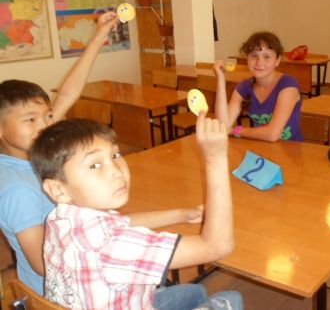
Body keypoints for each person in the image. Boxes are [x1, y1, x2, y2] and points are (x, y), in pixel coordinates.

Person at [30, 117, 243, 310]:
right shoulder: (112, 245)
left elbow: (123, 222)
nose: (116, 170)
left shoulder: (60, 217)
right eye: (95, 165)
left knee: (196, 292)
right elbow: (216, 247)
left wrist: (182, 214)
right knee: (230, 298)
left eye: (115, 155)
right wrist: (215, 158)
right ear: (58, 189)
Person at [0, 11, 118, 296]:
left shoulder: (34, 147)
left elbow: (67, 94)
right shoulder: (17, 189)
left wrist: (99, 36)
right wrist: (108, 258)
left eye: (48, 116)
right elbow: (44, 265)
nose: (44, 125)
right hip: (67, 292)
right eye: (30, 119)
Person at [214, 31, 303, 142]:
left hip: (290, 150)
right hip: (261, 147)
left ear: (277, 60)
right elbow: (222, 126)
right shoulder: (244, 87)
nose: (259, 62)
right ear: (247, 58)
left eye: (266, 57)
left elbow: (272, 134)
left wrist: (235, 131)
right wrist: (221, 79)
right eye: (254, 56)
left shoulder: (288, 85)